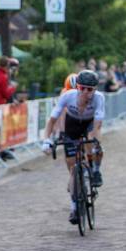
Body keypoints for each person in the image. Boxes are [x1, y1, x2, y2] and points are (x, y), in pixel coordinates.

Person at [42, 71, 106, 225]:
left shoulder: (99, 98)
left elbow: (97, 126)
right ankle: (75, 207)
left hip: (89, 124)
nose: (85, 92)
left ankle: (95, 169)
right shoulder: (68, 96)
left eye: (89, 89)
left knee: (94, 145)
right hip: (72, 125)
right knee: (72, 170)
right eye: (82, 88)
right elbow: (51, 121)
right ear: (77, 87)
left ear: (95, 89)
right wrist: (46, 140)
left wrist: (96, 145)